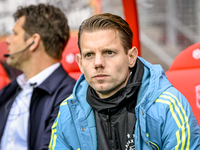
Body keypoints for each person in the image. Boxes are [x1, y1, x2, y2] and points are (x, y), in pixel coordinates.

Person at [49, 13, 200, 150]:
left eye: (109, 52)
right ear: (80, 63)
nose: (98, 63)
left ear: (131, 57)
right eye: (89, 55)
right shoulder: (68, 111)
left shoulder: (168, 106)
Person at [0, 4, 76, 150]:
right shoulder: (12, 89)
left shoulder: (69, 96)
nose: (7, 40)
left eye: (15, 33)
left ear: (33, 41)